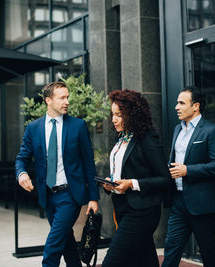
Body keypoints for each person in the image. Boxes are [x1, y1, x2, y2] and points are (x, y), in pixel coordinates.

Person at [15, 81, 99, 267]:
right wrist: (21, 174)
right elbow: (22, 158)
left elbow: (88, 164)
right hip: (48, 197)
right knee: (67, 244)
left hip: (70, 195)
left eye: (67, 97)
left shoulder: (78, 126)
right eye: (62, 98)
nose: (66, 101)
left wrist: (94, 198)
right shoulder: (33, 128)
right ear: (48, 101)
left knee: (52, 249)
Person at [101, 89, 172, 267]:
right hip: (123, 208)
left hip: (142, 211)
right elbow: (124, 170)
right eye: (112, 114)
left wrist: (131, 183)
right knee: (145, 261)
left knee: (112, 262)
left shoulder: (147, 139)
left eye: (119, 115)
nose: (113, 119)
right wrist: (111, 183)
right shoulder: (121, 139)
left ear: (132, 114)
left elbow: (165, 178)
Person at [162, 86, 215, 267]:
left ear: (196, 106)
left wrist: (187, 171)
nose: (176, 106)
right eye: (177, 102)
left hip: (202, 203)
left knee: (207, 251)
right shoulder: (177, 129)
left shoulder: (211, 131)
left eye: (181, 103)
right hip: (178, 201)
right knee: (171, 248)